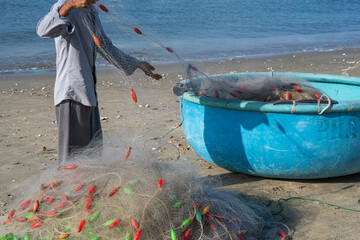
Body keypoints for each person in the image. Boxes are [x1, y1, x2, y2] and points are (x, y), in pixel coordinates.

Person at [36, 0, 161, 166]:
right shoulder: (66, 7)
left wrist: (136, 63)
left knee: (92, 156)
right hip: (72, 94)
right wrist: (69, 5)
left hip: (88, 93)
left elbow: (105, 46)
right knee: (71, 161)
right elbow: (43, 30)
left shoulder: (91, 11)